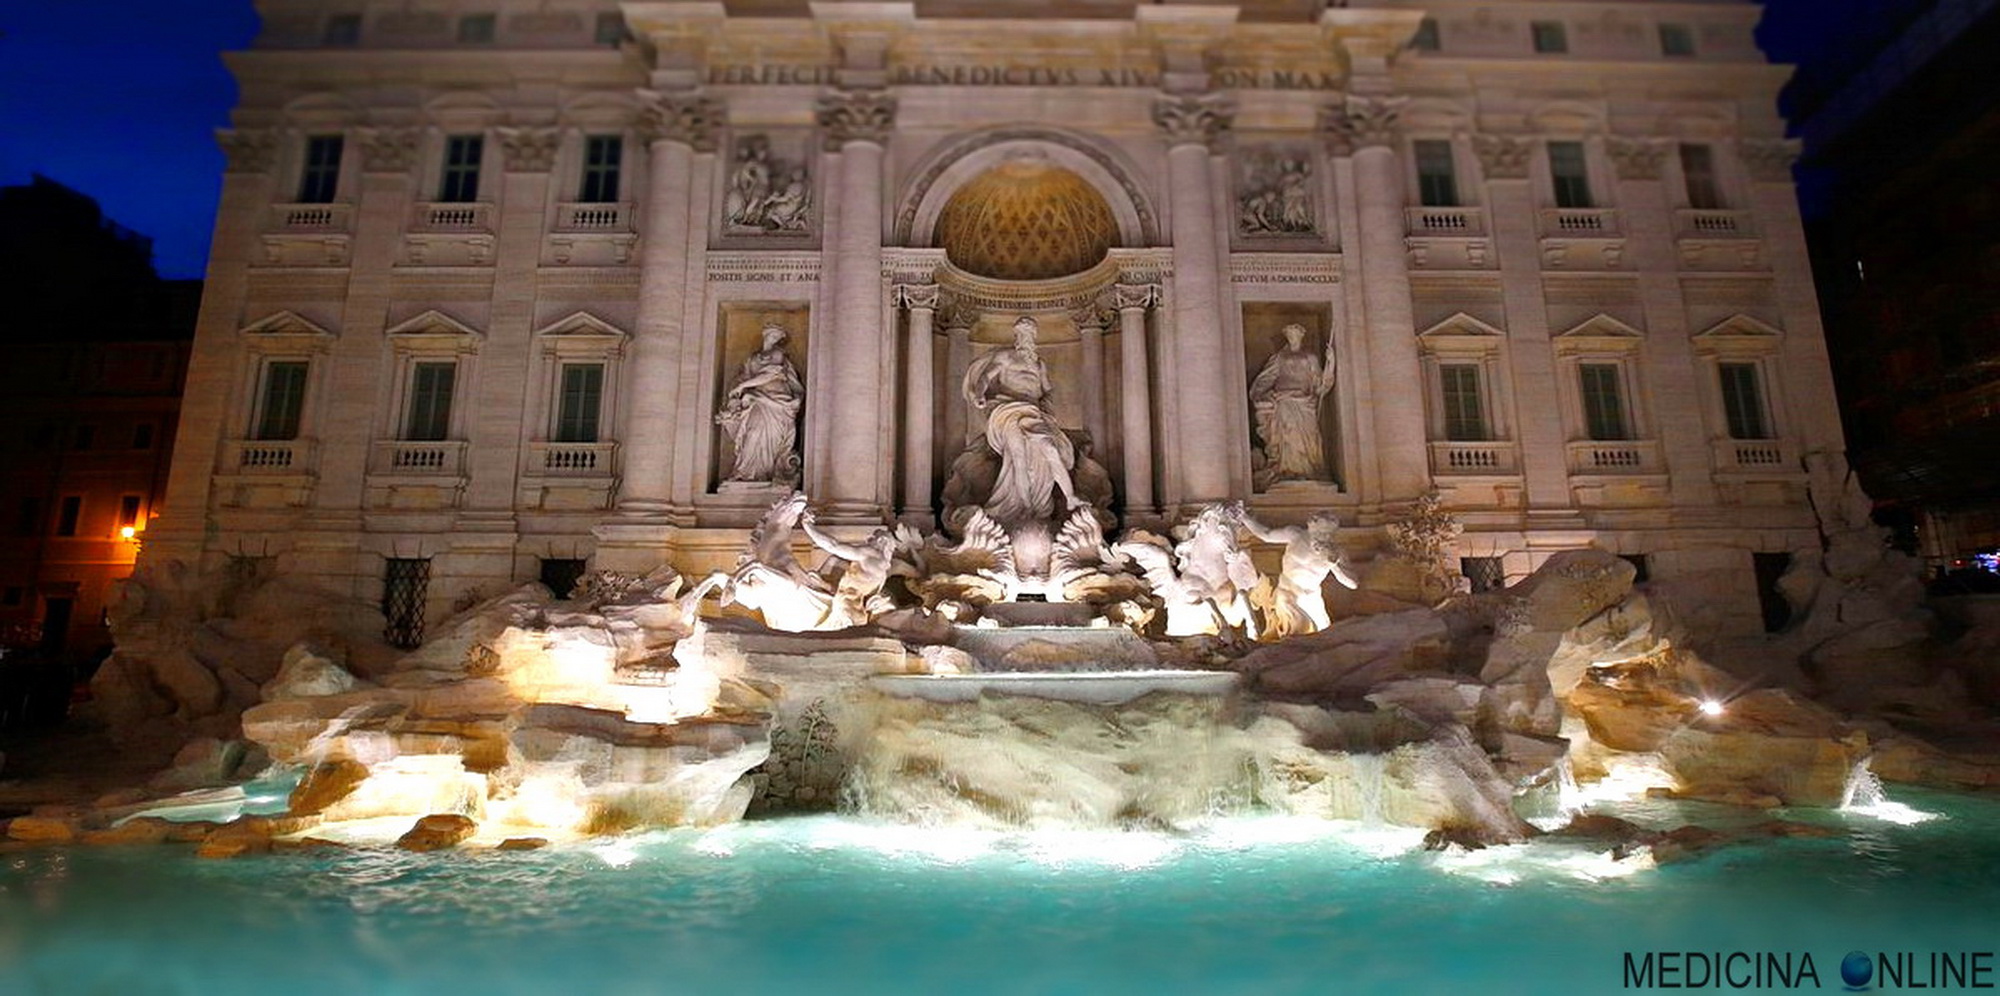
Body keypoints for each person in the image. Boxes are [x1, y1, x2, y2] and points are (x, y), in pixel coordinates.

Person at [960, 316, 1084, 528]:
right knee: (1018, 458)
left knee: (1050, 450)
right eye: (1023, 333)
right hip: (1008, 411)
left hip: (1033, 412)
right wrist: (979, 394)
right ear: (1016, 336)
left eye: (1030, 333)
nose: (1027, 337)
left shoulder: (1039, 363)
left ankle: (1070, 497)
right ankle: (1026, 509)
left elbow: (1047, 389)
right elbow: (985, 378)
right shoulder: (1005, 356)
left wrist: (1048, 407)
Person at [1249, 323, 1337, 488]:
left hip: (1305, 403)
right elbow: (1265, 379)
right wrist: (1262, 395)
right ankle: (1288, 471)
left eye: (1295, 334)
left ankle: (1308, 471)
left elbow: (1320, 385)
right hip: (1284, 401)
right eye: (1290, 334)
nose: (1292, 337)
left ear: (1301, 336)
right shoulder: (1279, 358)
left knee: (1308, 438)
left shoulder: (1311, 358)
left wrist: (1330, 364)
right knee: (1288, 437)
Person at [716, 324, 804, 485]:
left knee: (768, 438)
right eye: (772, 335)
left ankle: (764, 475)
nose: (774, 338)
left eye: (777, 337)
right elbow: (743, 377)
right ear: (766, 335)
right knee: (753, 433)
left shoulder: (778, 354)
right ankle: (746, 473)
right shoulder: (753, 358)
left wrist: (743, 387)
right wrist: (737, 393)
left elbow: (770, 375)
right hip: (756, 400)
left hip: (776, 401)